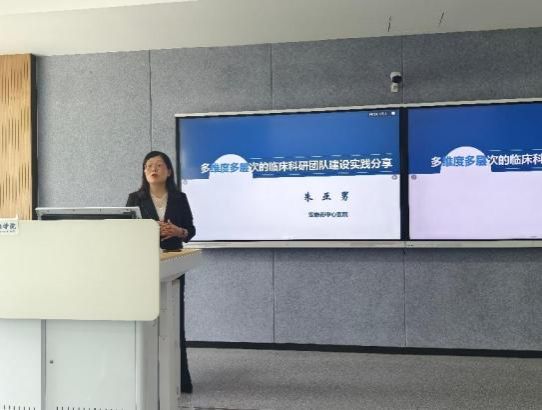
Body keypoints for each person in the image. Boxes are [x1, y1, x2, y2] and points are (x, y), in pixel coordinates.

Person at [126, 150, 196, 393]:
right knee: (145, 320)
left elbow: (191, 230)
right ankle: (145, 380)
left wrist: (178, 232)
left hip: (173, 263)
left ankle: (180, 379)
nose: (153, 169)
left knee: (174, 320)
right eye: (148, 166)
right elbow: (125, 231)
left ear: (169, 171)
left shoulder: (179, 198)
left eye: (158, 165)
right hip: (143, 264)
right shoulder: (135, 198)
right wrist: (147, 231)